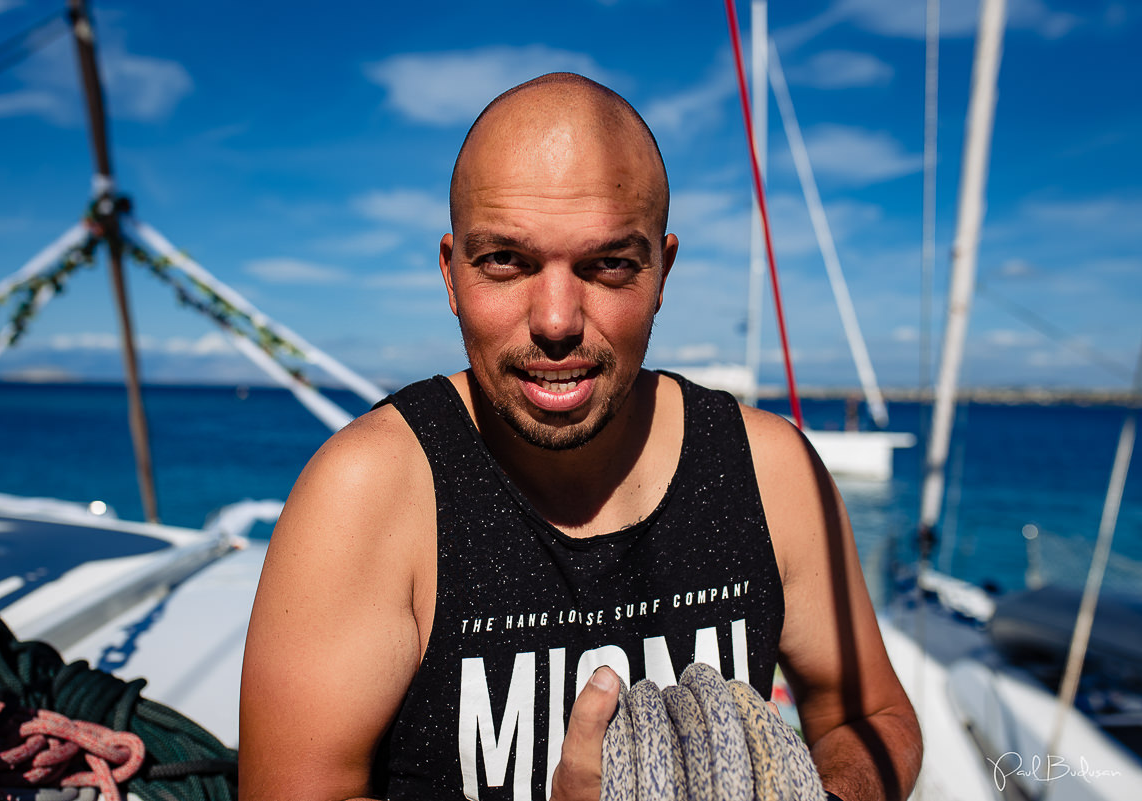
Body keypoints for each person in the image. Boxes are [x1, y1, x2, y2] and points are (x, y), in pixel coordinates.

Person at [239, 73, 921, 801]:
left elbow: (872, 715)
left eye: (607, 265)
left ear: (662, 271)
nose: (557, 320)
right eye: (506, 260)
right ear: (450, 273)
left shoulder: (768, 467)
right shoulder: (368, 491)